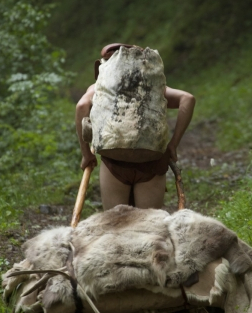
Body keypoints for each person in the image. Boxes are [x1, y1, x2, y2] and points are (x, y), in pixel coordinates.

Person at [75, 44, 195, 210]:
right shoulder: (153, 87)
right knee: (148, 228)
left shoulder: (99, 88)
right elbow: (188, 99)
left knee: (117, 225)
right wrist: (173, 145)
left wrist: (86, 154)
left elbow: (81, 106)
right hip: (152, 159)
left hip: (115, 160)